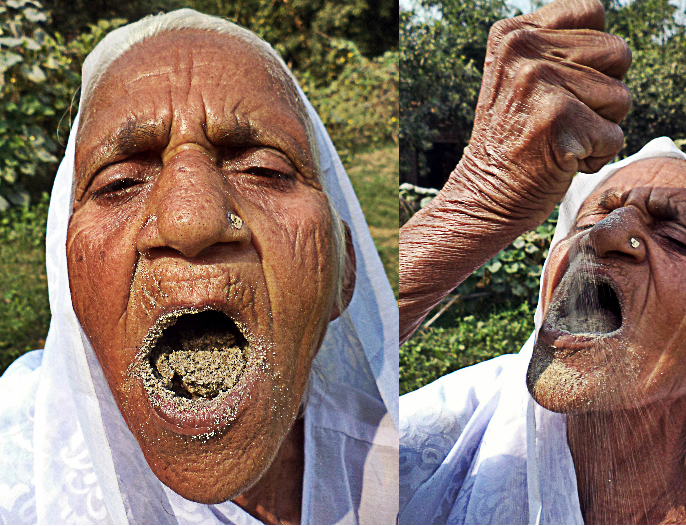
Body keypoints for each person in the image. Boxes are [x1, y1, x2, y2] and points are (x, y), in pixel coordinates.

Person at [398, 1, 686, 523]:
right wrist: (478, 202)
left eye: (678, 238)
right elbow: (294, 412)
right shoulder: (453, 433)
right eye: (594, 219)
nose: (609, 235)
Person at [0, 9, 397, 525]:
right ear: (68, 281)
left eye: (264, 169)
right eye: (118, 183)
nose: (191, 223)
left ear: (343, 273)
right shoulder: (18, 471)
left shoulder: (412, 473)